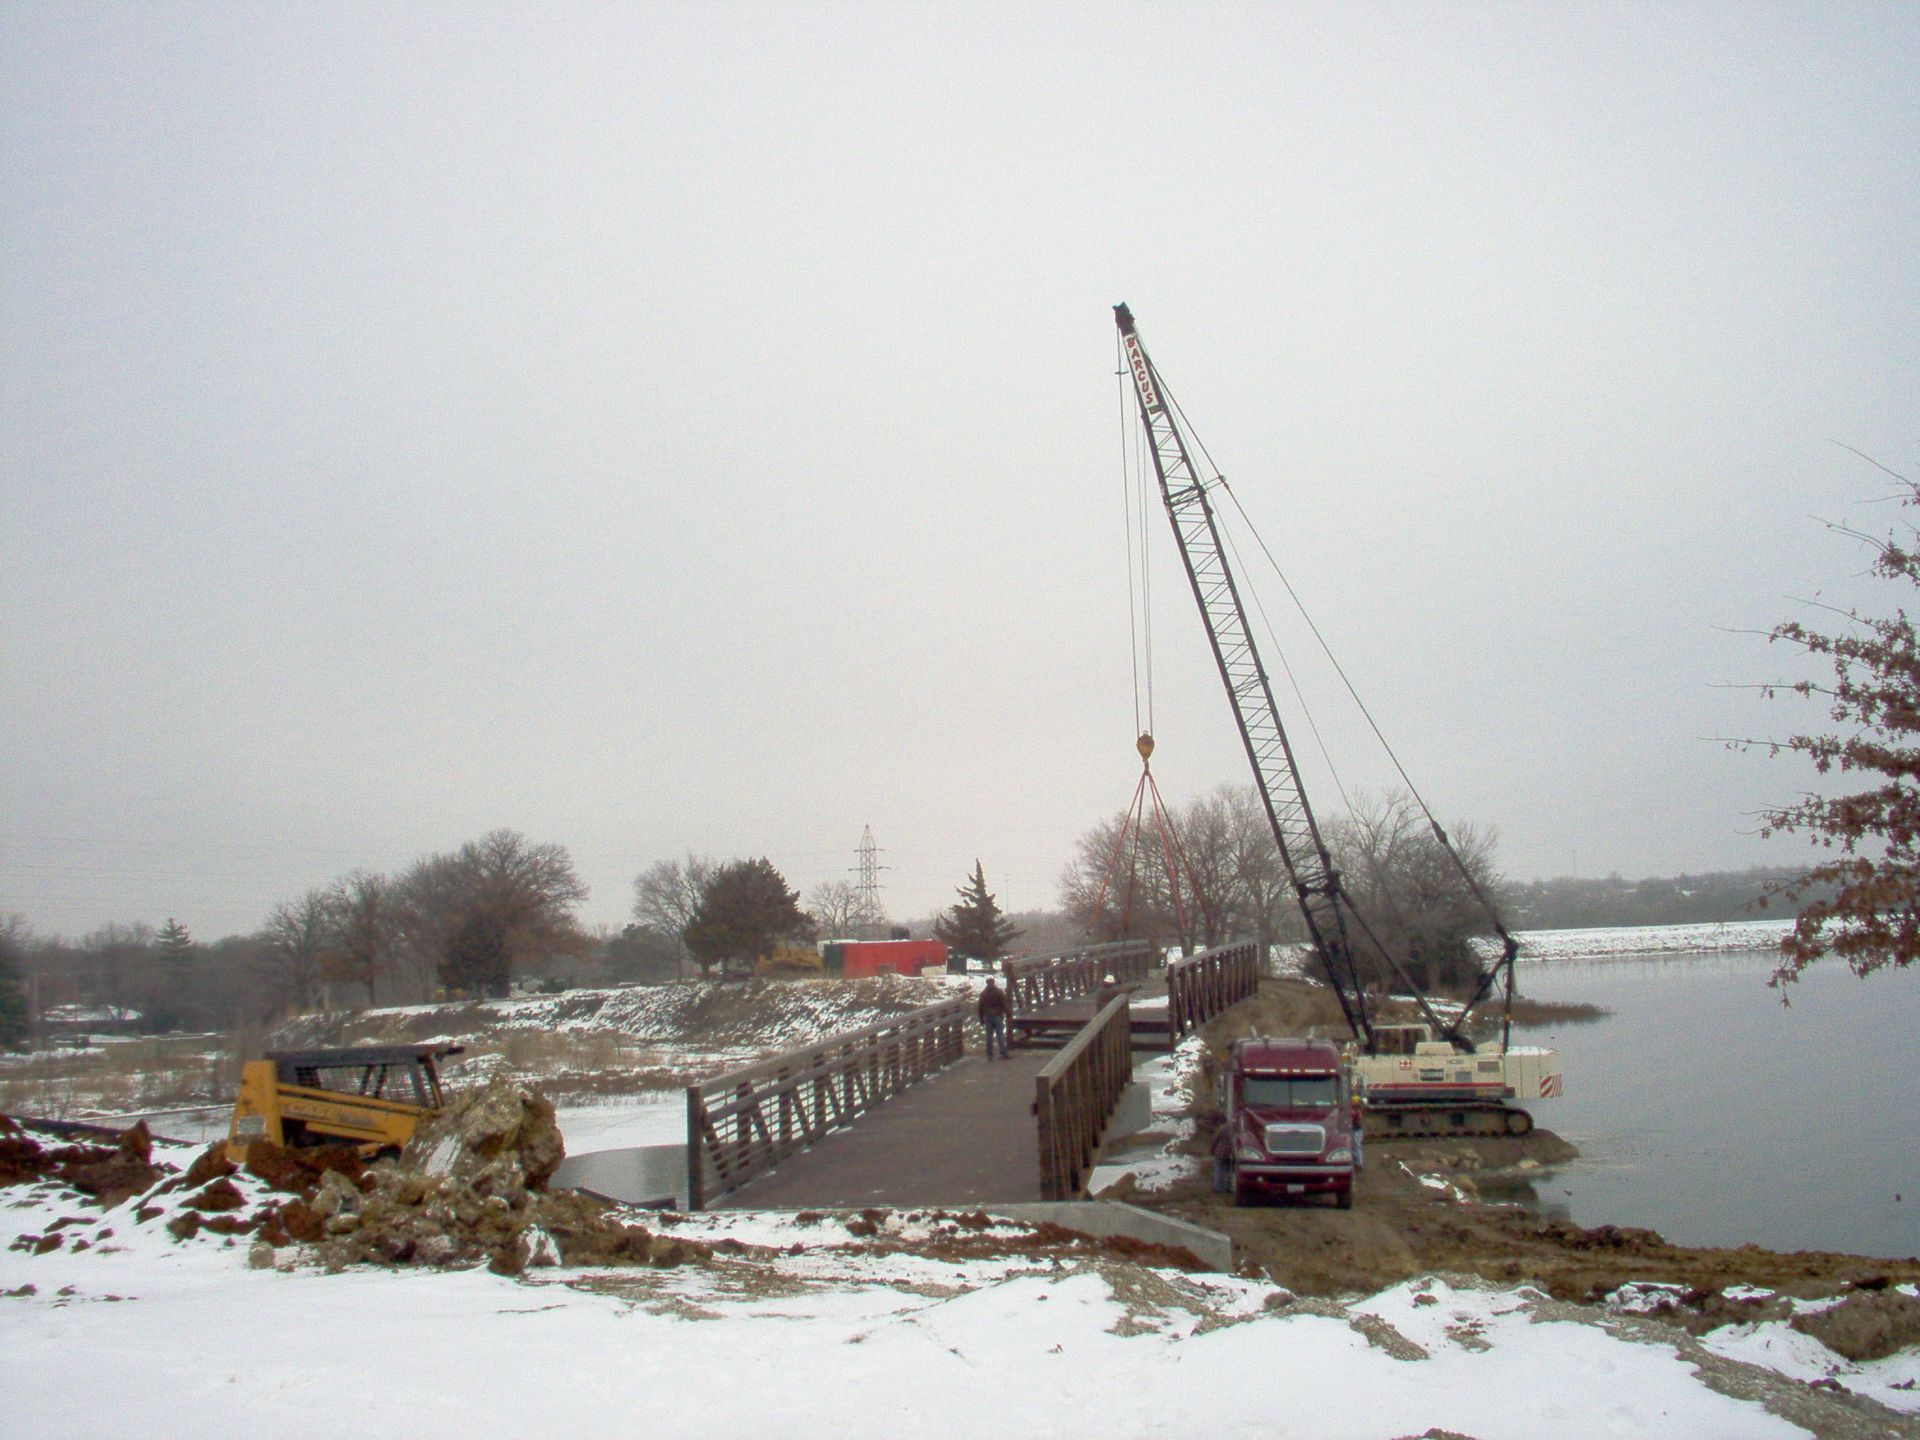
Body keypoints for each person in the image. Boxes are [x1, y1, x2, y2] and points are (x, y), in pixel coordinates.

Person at [977, 976, 1010, 1060]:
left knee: (989, 1036)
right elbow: (1004, 1003)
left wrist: (981, 1019)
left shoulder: (983, 993)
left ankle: (990, 1055)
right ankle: (1003, 1053)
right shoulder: (999, 992)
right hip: (998, 1014)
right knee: (1000, 1035)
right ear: (994, 982)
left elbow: (980, 1007)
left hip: (987, 1016)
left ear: (987, 983)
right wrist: (1007, 1013)